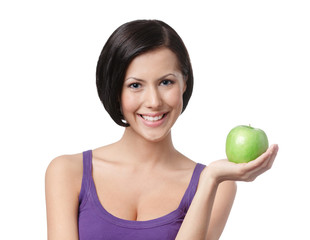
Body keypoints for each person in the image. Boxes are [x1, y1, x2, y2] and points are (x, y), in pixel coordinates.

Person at [45, 19, 278, 240]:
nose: (154, 101)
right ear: (117, 91)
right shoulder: (67, 172)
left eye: (166, 82)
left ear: (184, 83)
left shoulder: (218, 186)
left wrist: (210, 179)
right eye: (135, 85)